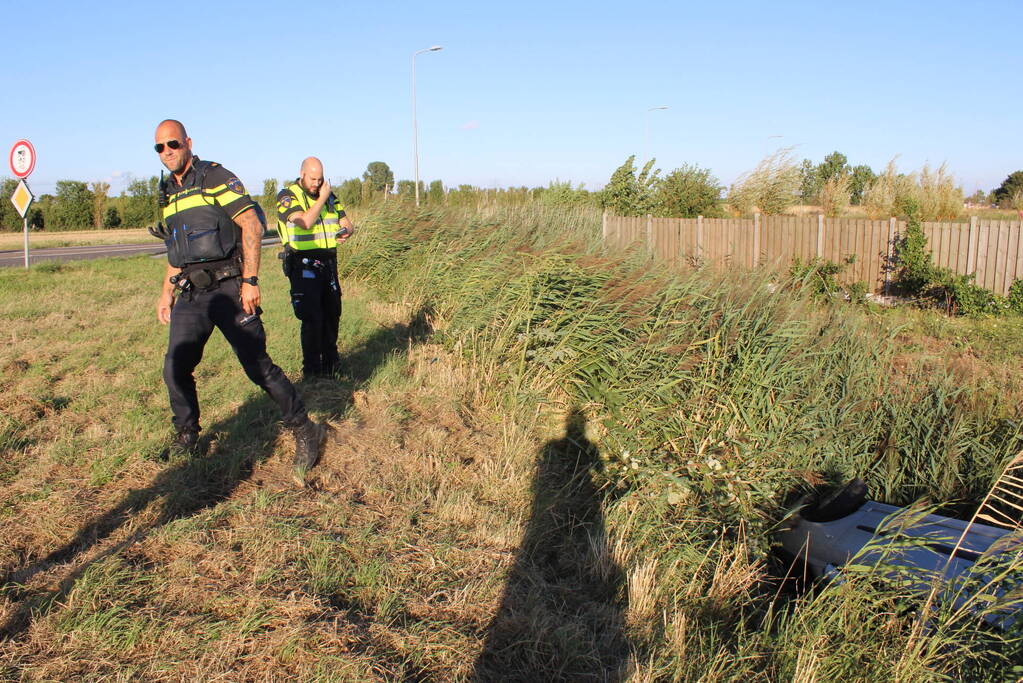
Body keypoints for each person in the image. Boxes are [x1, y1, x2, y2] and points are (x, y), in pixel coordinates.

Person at [152, 119, 325, 486]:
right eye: (160, 148)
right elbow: (175, 249)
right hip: (191, 292)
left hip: (229, 287)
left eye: (172, 144)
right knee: (174, 367)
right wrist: (166, 291)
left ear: (187, 143)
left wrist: (250, 280)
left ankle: (305, 429)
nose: (167, 152)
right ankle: (187, 433)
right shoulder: (168, 191)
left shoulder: (214, 177)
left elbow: (251, 224)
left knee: (257, 367)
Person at [275, 157, 355, 379]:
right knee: (312, 317)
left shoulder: (328, 196)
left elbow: (346, 221)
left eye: (320, 179)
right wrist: (322, 198)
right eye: (313, 179)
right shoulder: (287, 196)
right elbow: (304, 222)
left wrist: (347, 230)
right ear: (302, 174)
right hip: (303, 263)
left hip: (328, 262)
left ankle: (331, 364)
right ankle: (311, 370)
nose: (317, 183)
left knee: (332, 314)